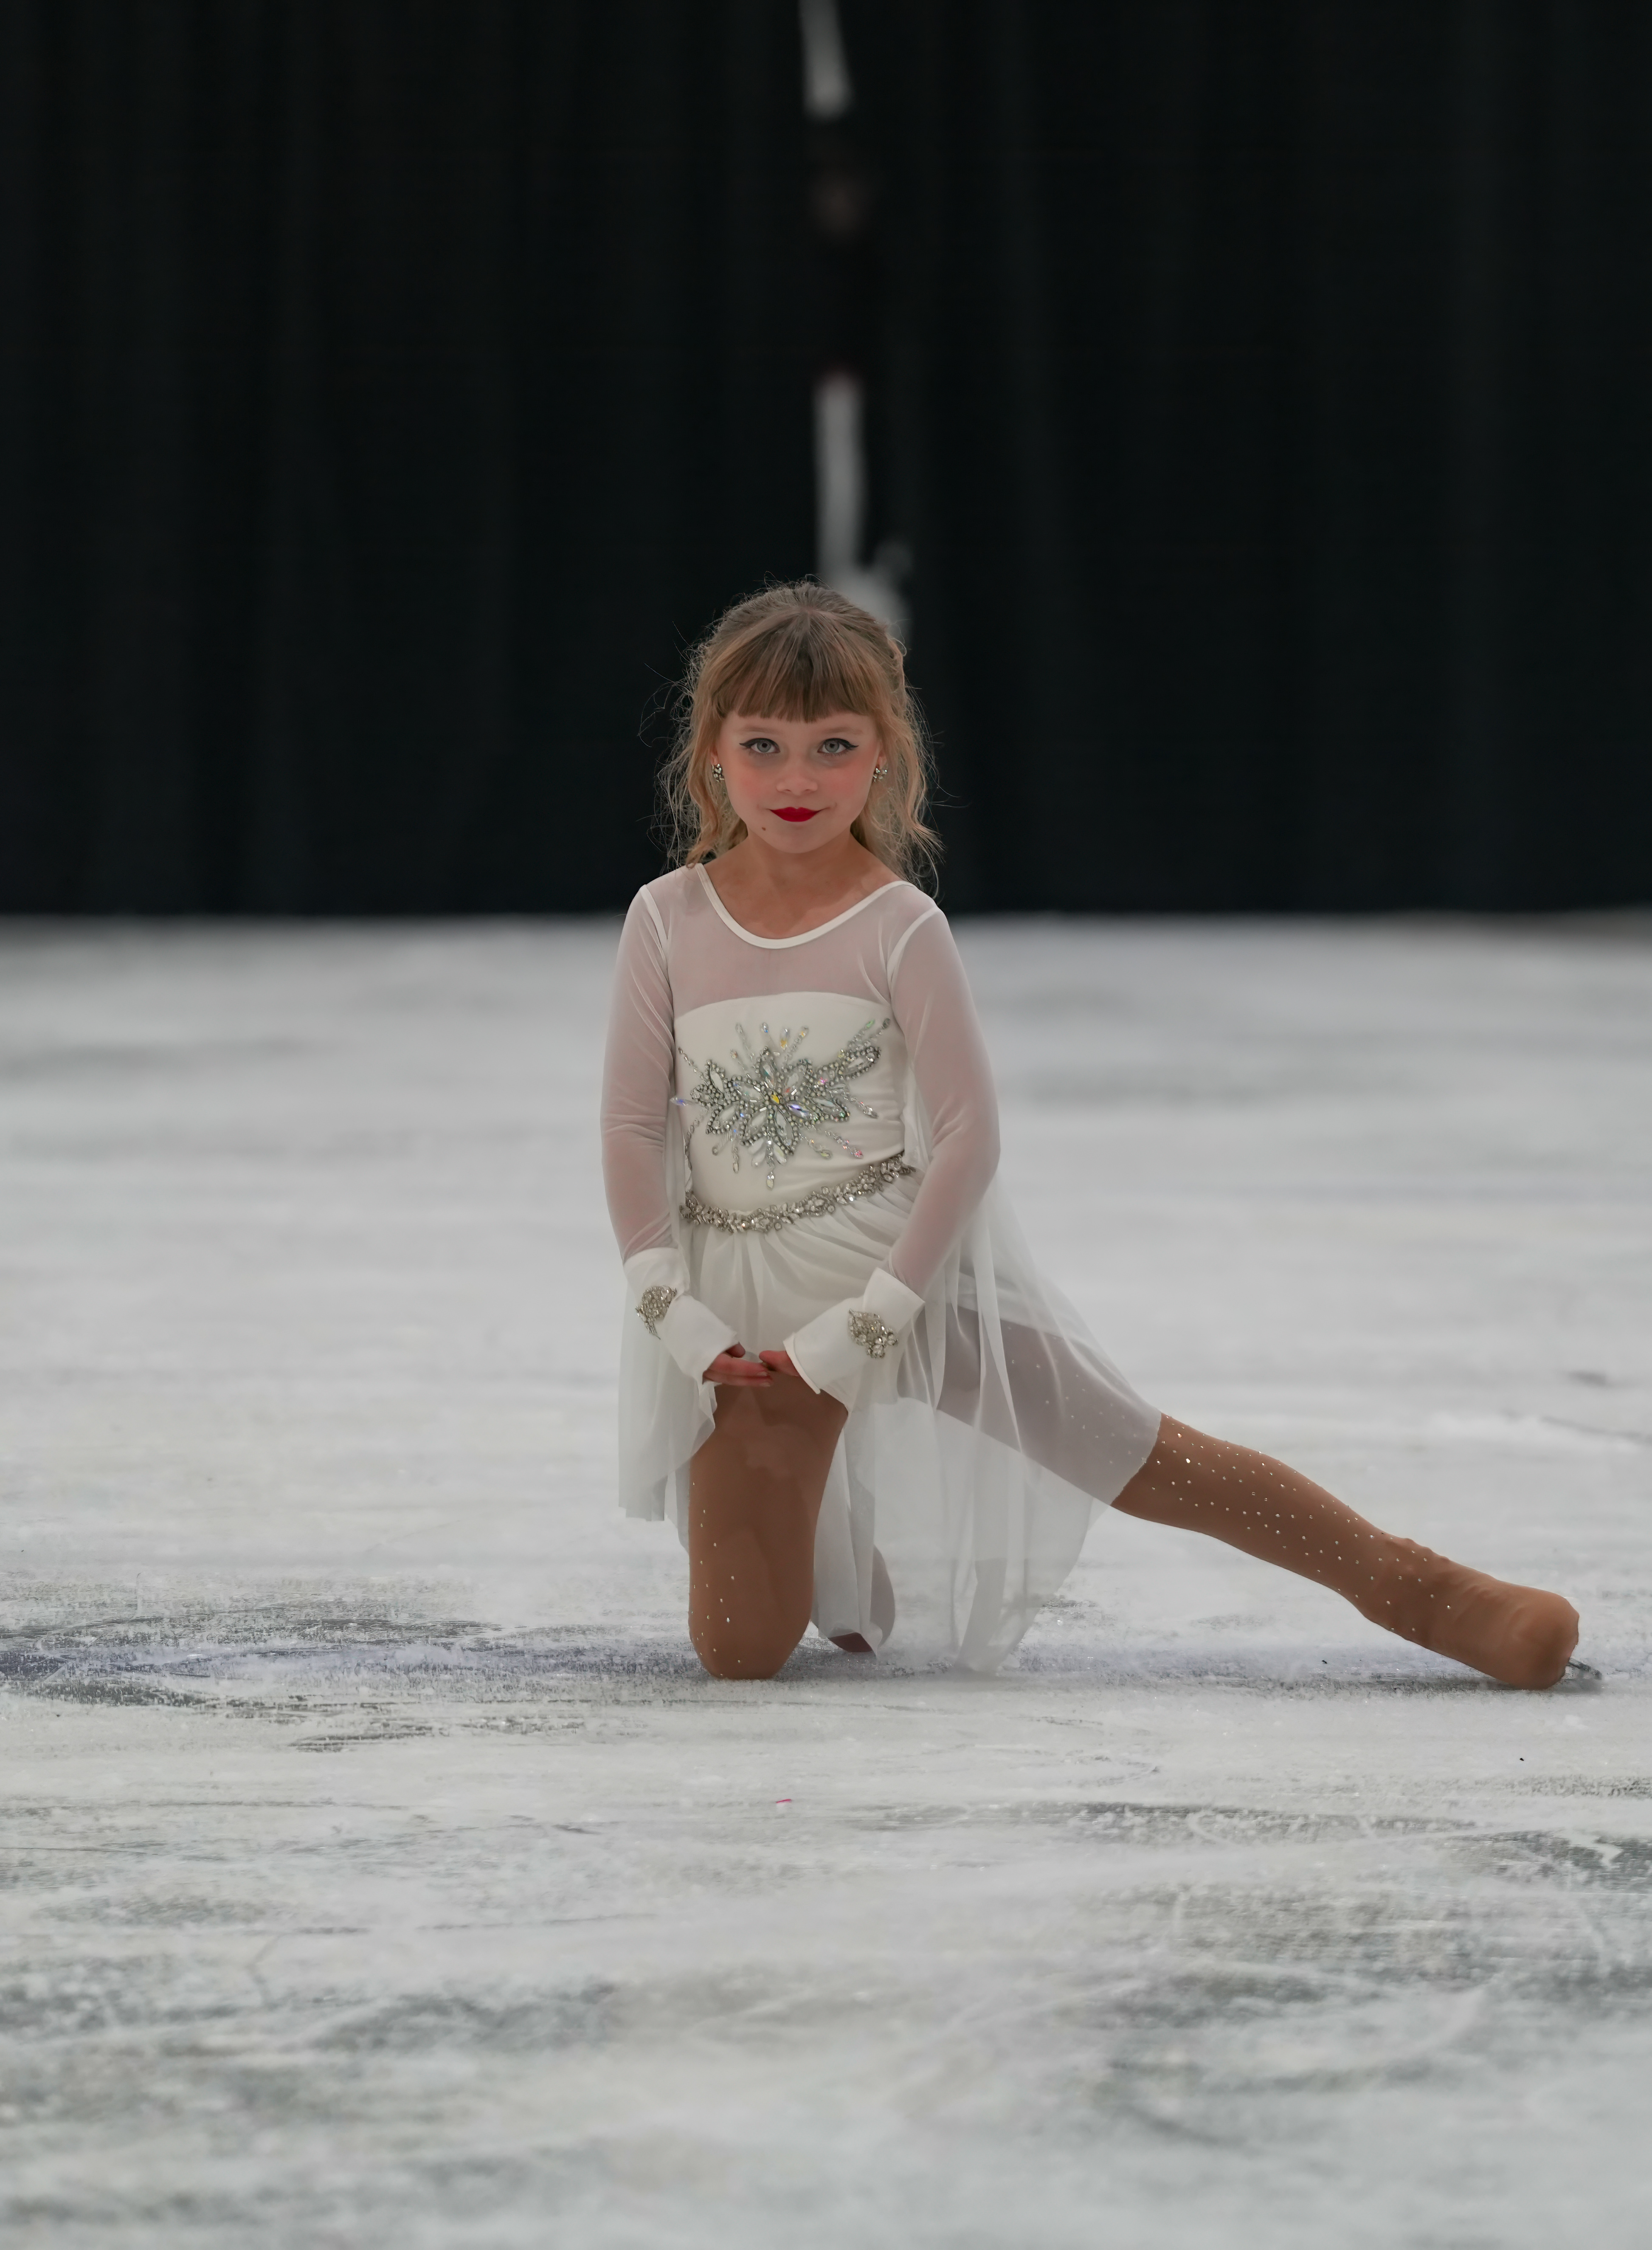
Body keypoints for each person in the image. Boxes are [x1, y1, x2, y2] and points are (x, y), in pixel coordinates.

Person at [599, 583, 1580, 1688]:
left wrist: (876, 1319)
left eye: (832, 746)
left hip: (893, 1276)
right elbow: (632, 1122)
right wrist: (672, 1308)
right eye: (764, 746)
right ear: (712, 752)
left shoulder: (899, 926)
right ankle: (823, 1528)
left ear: (883, 755)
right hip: (735, 1313)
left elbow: (967, 1136)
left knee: (1137, 1453)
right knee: (739, 1653)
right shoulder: (666, 920)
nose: (796, 779)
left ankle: (1421, 1587)